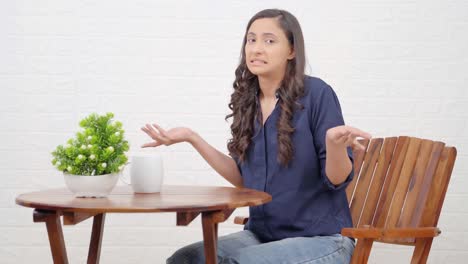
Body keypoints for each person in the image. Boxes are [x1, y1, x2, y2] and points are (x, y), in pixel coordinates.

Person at [141, 8, 371, 264]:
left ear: (291, 51)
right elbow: (243, 179)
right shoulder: (248, 102)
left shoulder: (317, 94)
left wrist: (335, 146)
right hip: (263, 235)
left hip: (323, 239)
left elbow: (337, 178)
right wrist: (192, 137)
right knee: (185, 260)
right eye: (251, 40)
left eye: (269, 41)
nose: (257, 48)